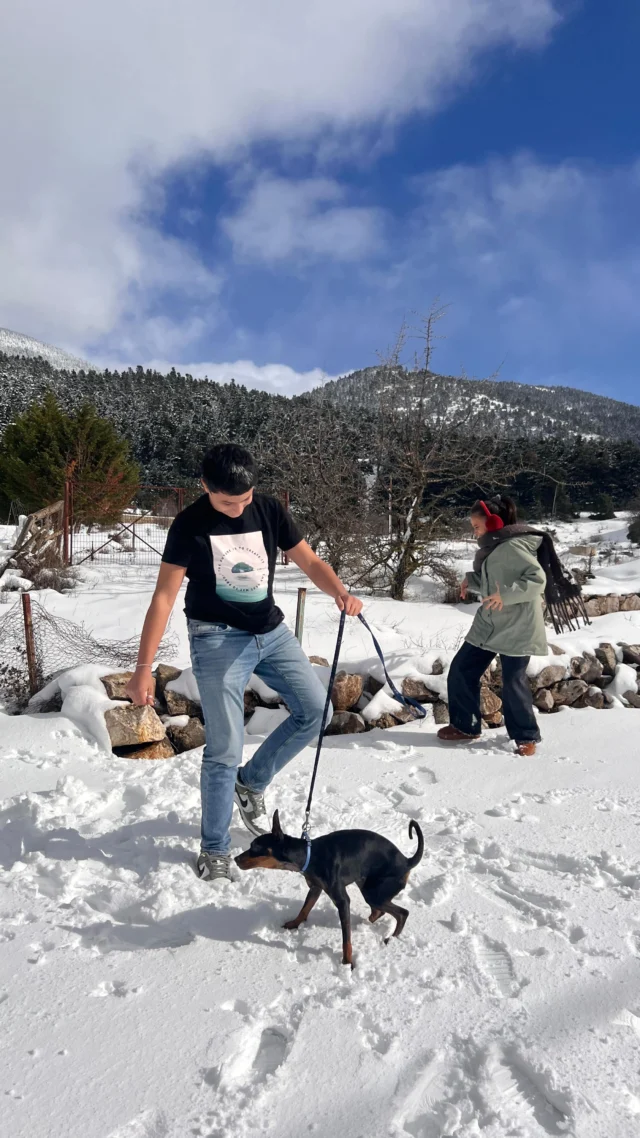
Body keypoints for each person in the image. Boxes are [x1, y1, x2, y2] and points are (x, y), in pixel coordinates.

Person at [125, 444, 363, 882]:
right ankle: (215, 849)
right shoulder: (190, 524)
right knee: (224, 748)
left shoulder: (269, 509)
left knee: (317, 711)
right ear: (205, 488)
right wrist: (143, 668)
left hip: (271, 633)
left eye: (245, 499)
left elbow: (308, 559)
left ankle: (249, 782)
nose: (238, 509)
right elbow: (163, 596)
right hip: (216, 640)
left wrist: (340, 591)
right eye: (227, 501)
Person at [437, 495, 546, 757]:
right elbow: (494, 581)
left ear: (495, 523)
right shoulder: (496, 546)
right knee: (462, 670)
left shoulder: (513, 547)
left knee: (513, 682)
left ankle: (525, 737)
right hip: (489, 624)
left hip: (517, 626)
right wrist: (471, 581)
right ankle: (466, 727)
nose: (474, 532)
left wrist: (505, 596)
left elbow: (537, 579)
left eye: (476, 526)